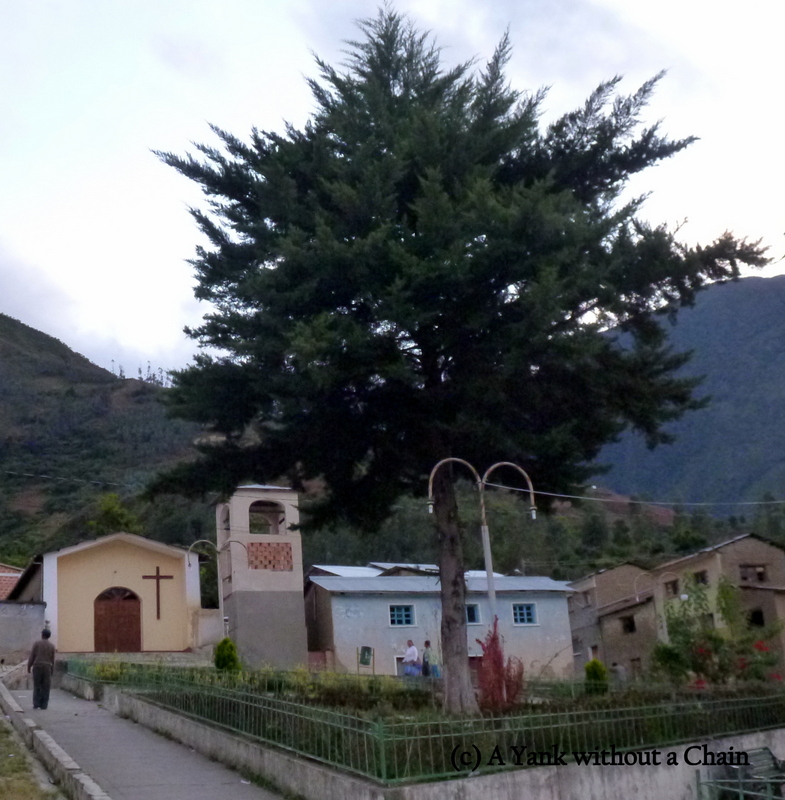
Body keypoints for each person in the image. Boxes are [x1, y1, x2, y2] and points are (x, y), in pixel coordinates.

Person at [28, 629, 56, 710]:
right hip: (47, 667)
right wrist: (52, 670)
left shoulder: (36, 644)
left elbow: (32, 656)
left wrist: (29, 666)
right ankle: (44, 705)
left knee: (37, 685)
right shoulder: (52, 646)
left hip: (37, 666)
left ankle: (36, 704)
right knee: (46, 687)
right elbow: (52, 659)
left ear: (42, 635)